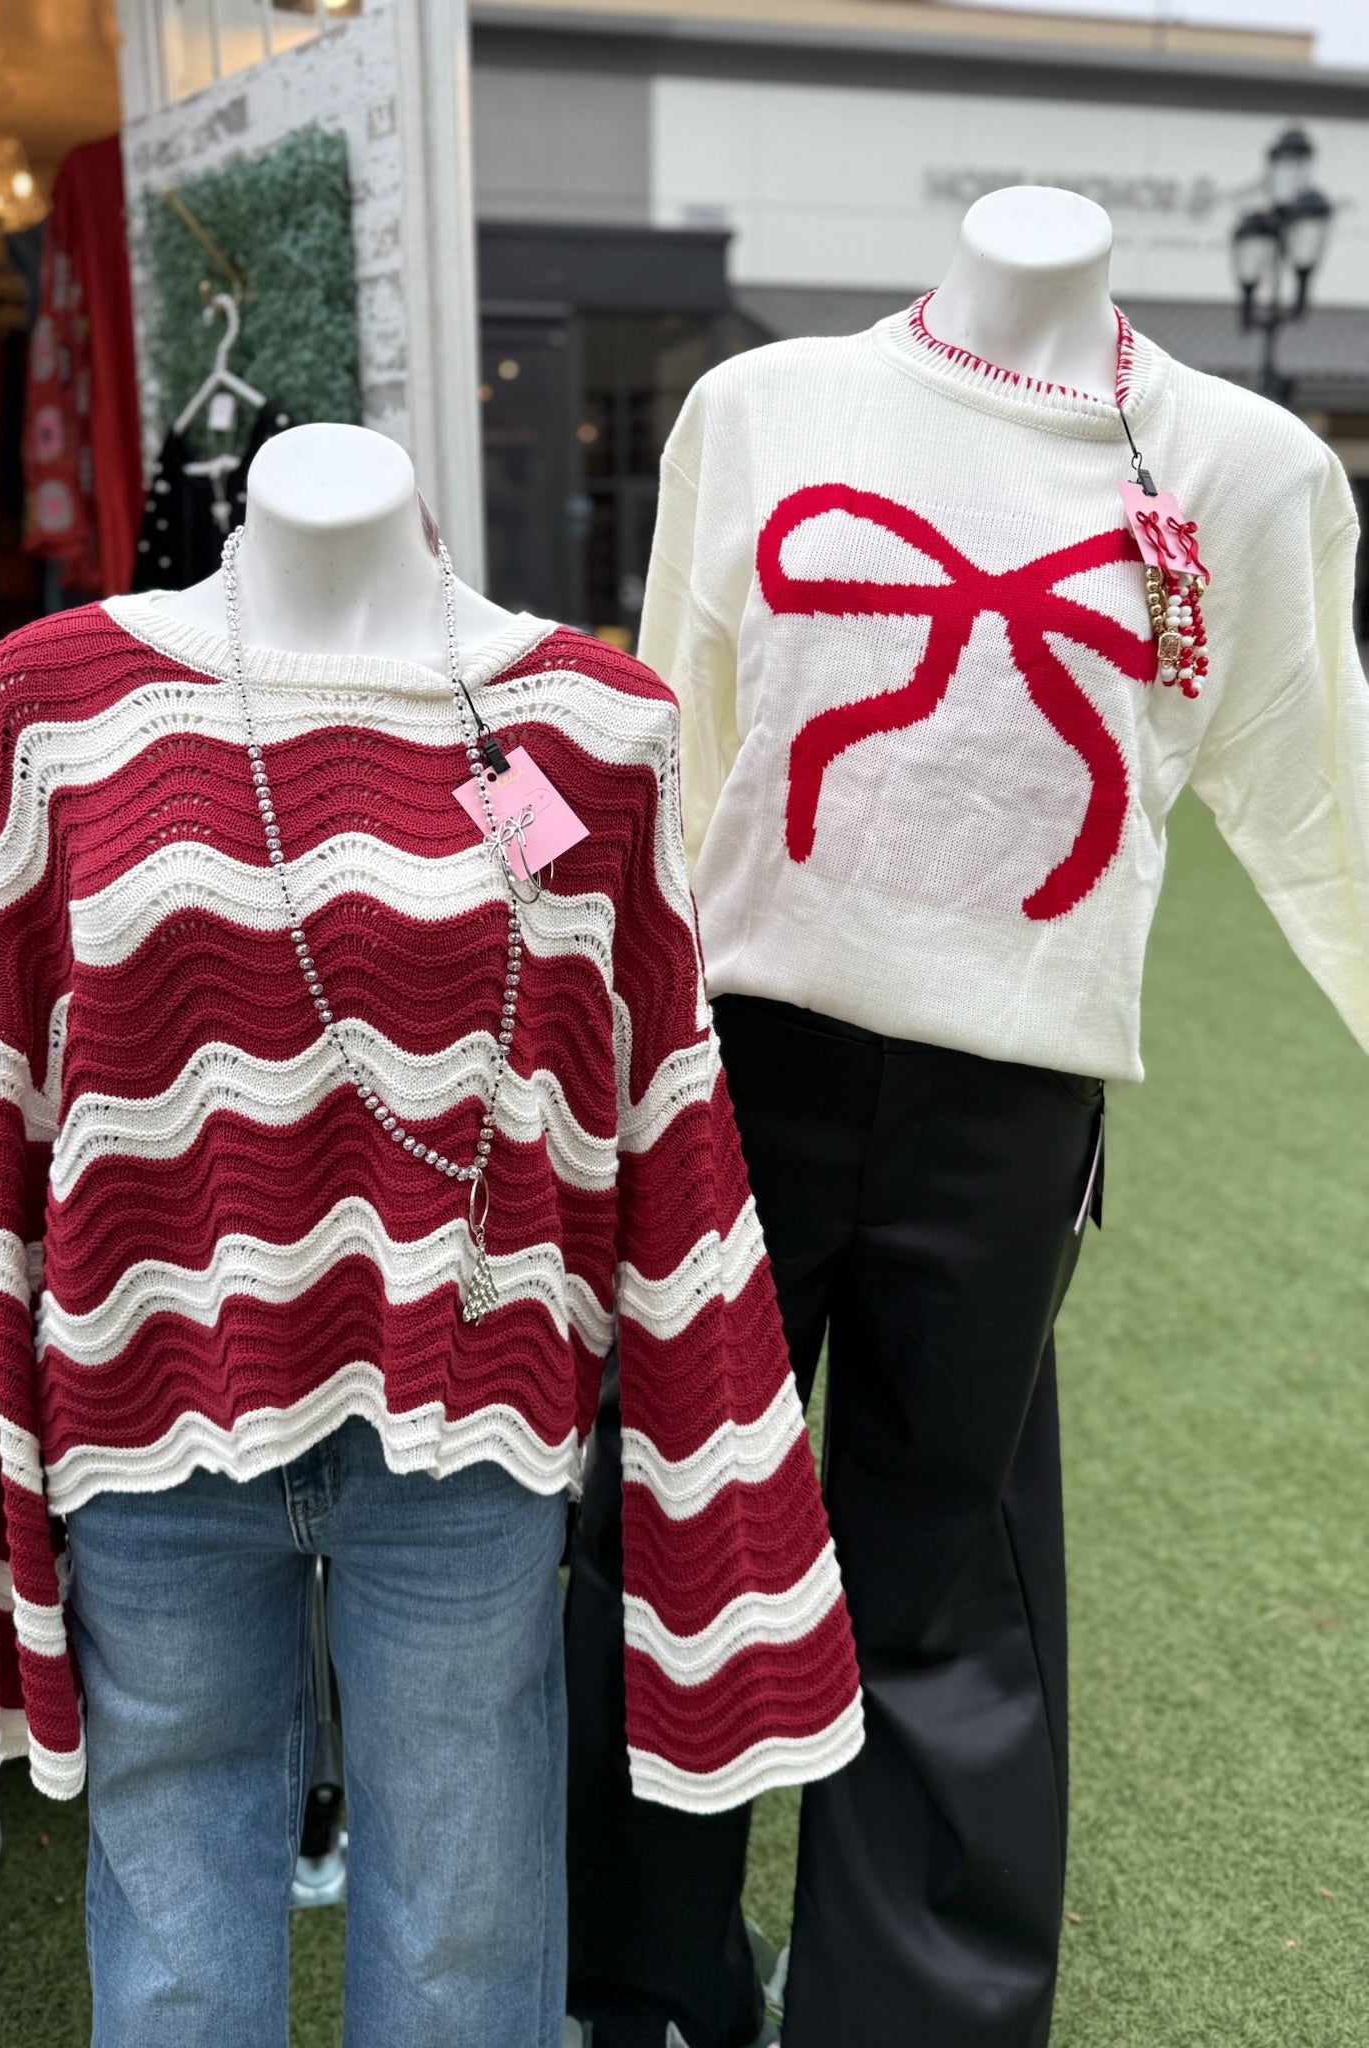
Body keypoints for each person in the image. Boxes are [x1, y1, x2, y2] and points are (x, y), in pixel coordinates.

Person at [0, 422, 863, 2048]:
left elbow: (656, 1094)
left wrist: (701, 1427)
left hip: (470, 1419)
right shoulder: (57, 699)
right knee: (178, 1932)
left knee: (461, 1935)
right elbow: (7, 1090)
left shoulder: (588, 722)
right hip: (153, 1408)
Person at [566, 188, 1369, 2048]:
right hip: (733, 1065)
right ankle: (639, 1981)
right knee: (676, 1525)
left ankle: (904, 2013)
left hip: (1011, 1101)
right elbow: (680, 747)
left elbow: (1319, 790)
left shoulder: (1240, 469)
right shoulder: (762, 411)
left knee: (942, 1565)